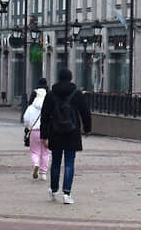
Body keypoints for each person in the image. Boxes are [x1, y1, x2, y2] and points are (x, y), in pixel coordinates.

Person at [39, 69, 92, 205]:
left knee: (55, 162)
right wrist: (87, 129)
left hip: (55, 132)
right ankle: (67, 194)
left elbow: (44, 116)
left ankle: (53, 189)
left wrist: (44, 136)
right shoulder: (77, 94)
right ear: (70, 78)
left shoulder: (51, 95)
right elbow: (85, 112)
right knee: (69, 163)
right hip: (72, 132)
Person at [23, 78, 51, 180]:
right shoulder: (49, 106)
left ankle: (36, 164)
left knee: (35, 151)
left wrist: (28, 127)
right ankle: (43, 173)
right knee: (46, 152)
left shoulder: (31, 107)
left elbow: (26, 119)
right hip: (47, 132)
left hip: (34, 131)